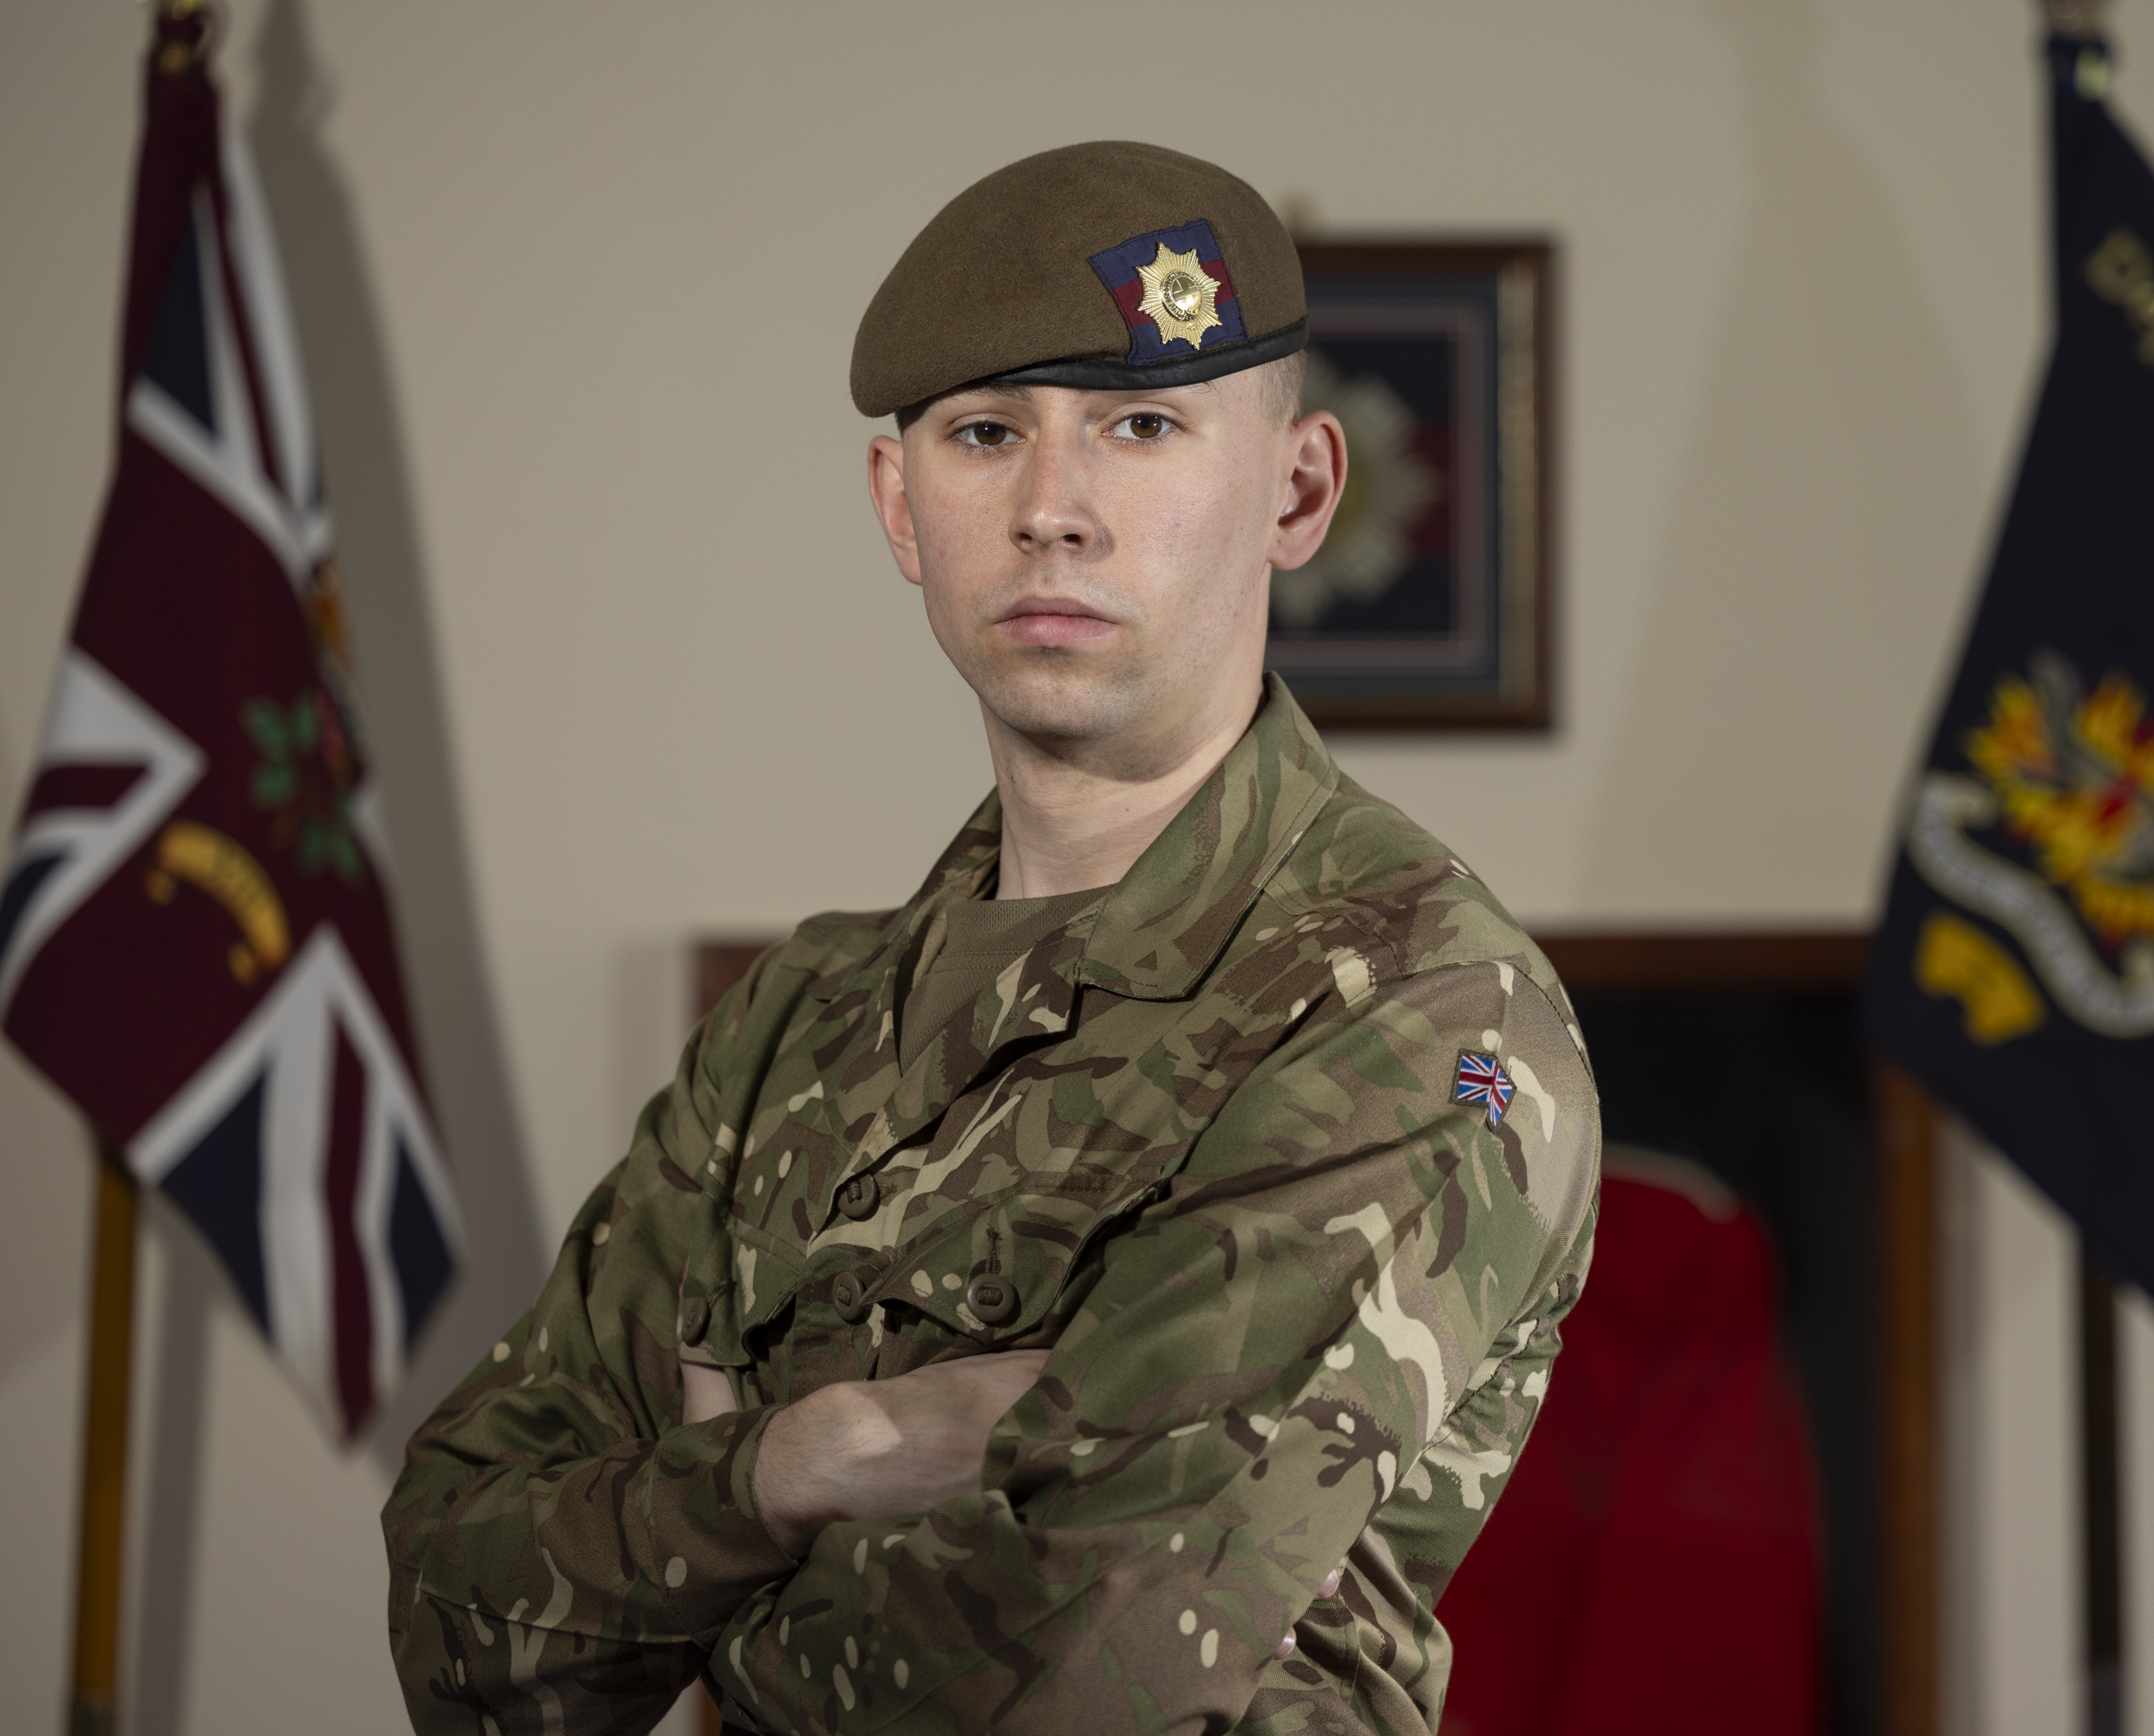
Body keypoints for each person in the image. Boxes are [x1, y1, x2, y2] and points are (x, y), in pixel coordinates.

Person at [383, 140, 1600, 1736]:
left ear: (1298, 490)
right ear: (902, 506)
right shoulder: (795, 1025)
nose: (1051, 512)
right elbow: (460, 1625)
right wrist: (812, 1460)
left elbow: (1078, 1667)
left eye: (1143, 427)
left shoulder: (1421, 1006)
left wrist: (686, 1565)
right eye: (982, 435)